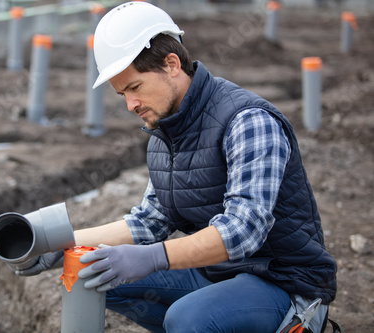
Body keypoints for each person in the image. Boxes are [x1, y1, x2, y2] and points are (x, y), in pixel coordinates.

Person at [18, 2, 337, 332]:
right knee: (95, 275)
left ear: (171, 65)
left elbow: (243, 230)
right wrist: (60, 244)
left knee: (187, 318)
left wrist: (154, 258)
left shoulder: (247, 121)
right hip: (218, 274)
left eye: (135, 87)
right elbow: (150, 222)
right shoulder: (165, 134)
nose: (130, 105)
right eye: (121, 94)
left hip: (283, 284)